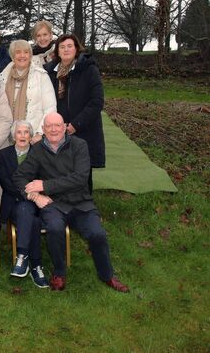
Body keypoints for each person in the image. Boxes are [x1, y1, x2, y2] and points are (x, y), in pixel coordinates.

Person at [13, 112, 129, 292]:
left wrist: (45, 185)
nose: (53, 129)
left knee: (97, 234)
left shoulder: (79, 145)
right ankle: (59, 273)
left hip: (80, 202)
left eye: (57, 125)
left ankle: (107, 275)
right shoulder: (37, 150)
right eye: (49, 126)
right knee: (55, 229)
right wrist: (36, 196)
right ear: (43, 129)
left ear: (65, 126)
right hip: (54, 204)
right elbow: (19, 177)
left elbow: (80, 179)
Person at [44, 34, 105, 192]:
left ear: (76, 48)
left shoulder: (89, 69)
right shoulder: (50, 72)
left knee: (82, 173)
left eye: (69, 46)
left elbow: (96, 101)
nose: (66, 50)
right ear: (57, 51)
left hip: (83, 130)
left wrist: (75, 125)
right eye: (62, 47)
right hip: (57, 130)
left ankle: (85, 210)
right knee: (59, 172)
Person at [0, 121, 49, 288]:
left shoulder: (40, 153)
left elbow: (44, 179)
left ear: (31, 136)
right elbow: (7, 183)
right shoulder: (3, 154)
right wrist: (30, 195)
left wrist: (35, 196)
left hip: (37, 205)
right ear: (13, 136)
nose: (22, 136)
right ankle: (36, 266)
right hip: (14, 203)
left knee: (30, 216)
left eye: (26, 132)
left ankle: (23, 256)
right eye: (19, 132)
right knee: (28, 214)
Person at [0, 39, 56, 143]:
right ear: (12, 56)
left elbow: (50, 108)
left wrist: (39, 133)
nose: (22, 56)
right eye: (18, 52)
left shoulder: (41, 76)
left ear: (30, 55)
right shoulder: (3, 77)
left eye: (26, 52)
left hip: (33, 137)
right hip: (7, 138)